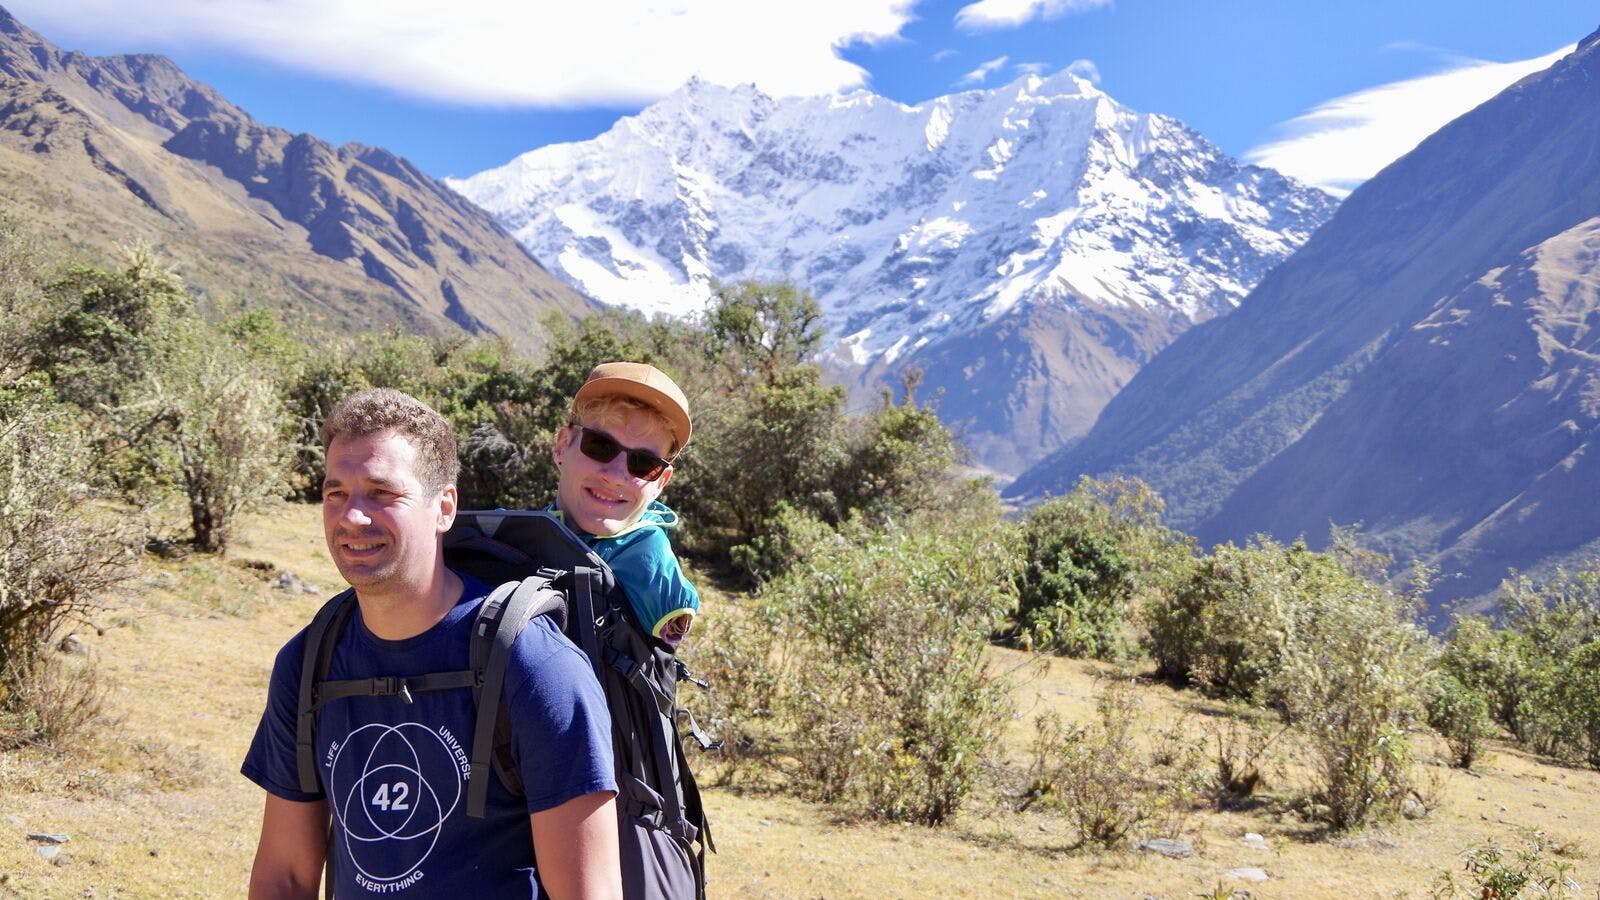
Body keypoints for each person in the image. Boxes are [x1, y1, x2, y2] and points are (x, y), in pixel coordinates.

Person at [241, 388, 622, 899]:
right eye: (336, 494)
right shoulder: (309, 661)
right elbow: (284, 876)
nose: (352, 517)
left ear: (443, 508)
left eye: (382, 493)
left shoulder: (535, 666)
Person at [550, 362, 700, 649]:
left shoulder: (650, 561)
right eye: (600, 446)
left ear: (661, 482)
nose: (616, 477)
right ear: (562, 445)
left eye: (644, 464)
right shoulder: (507, 531)